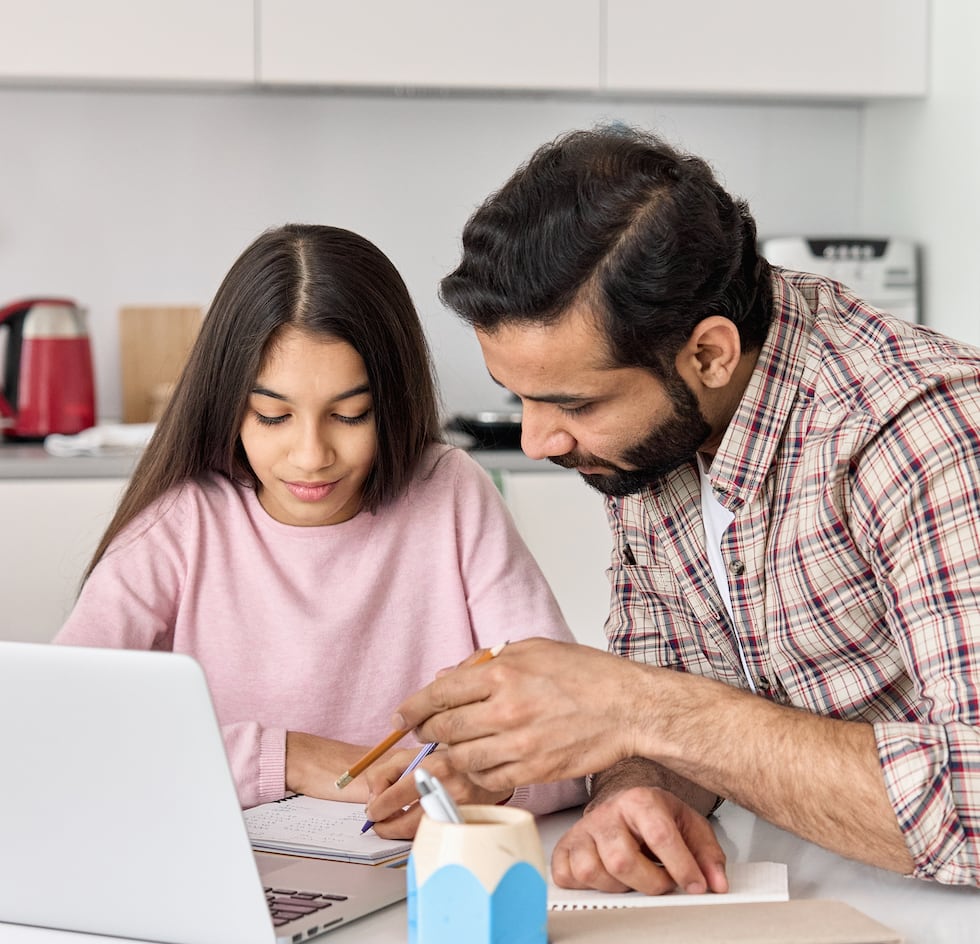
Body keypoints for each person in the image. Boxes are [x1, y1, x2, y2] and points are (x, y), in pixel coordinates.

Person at [378, 126, 980, 891]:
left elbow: (973, 803)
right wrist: (634, 797)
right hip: (798, 897)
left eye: (574, 402)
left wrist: (632, 706)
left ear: (710, 354)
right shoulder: (655, 435)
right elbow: (673, 690)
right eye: (520, 397)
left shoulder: (921, 431)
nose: (536, 438)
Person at [55, 223, 584, 829]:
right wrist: (285, 758)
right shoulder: (185, 520)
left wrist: (488, 789)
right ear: (228, 404)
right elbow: (58, 727)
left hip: (419, 866)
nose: (311, 456)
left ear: (392, 403)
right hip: (237, 875)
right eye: (273, 415)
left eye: (349, 414)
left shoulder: (450, 491)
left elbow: (573, 733)